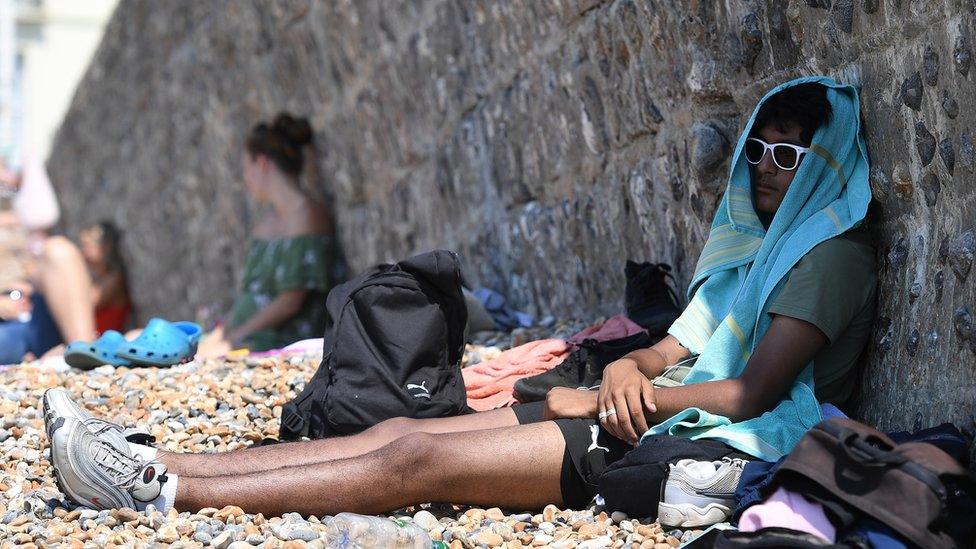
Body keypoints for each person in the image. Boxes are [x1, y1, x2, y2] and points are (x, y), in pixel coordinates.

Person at [43, 77, 877, 519]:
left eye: (791, 158)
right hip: (646, 408)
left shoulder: (828, 259)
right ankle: (153, 462)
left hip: (720, 437)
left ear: (828, 171)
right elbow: (674, 342)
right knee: (401, 427)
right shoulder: (756, 256)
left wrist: (630, 391)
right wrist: (632, 369)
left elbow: (753, 392)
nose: (767, 168)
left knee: (416, 462)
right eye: (761, 150)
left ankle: (166, 494)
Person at [197, 113, 343, 356]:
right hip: (246, 331)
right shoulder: (265, 225)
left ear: (262, 162)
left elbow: (291, 302)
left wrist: (234, 337)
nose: (245, 179)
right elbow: (250, 295)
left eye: (246, 168)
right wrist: (222, 333)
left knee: (200, 356)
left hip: (279, 336)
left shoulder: (307, 216)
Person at [78, 221, 132, 334]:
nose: (83, 249)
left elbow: (86, 303)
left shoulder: (114, 278)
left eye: (89, 244)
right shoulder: (97, 277)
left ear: (106, 246)